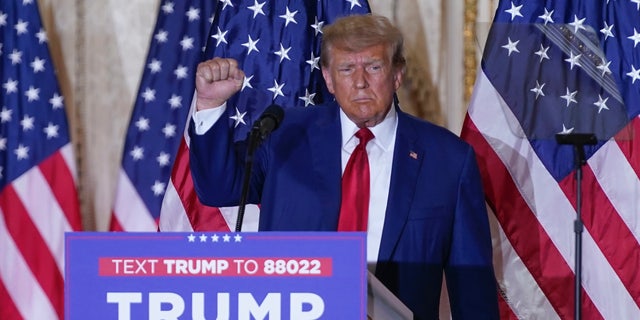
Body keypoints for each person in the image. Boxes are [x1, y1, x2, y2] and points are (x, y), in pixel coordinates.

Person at [188, 13, 499, 320]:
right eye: (347, 69)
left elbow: (472, 286)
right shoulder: (285, 134)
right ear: (328, 79)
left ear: (397, 74)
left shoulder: (448, 159)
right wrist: (211, 104)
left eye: (374, 67)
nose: (360, 82)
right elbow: (218, 188)